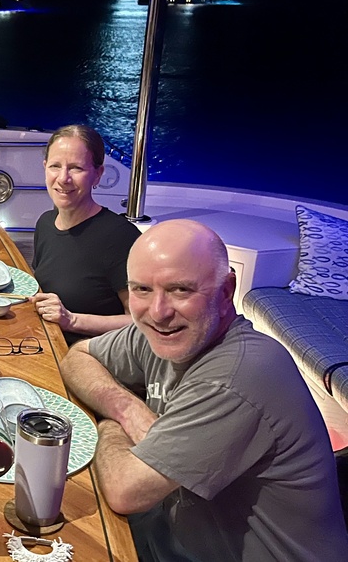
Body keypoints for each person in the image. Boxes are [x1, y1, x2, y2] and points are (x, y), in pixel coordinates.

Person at [61, 219, 348, 561]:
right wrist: (127, 409)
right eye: (141, 289)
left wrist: (106, 420)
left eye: (180, 290)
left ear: (226, 291)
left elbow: (125, 490)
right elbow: (76, 357)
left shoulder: (238, 376)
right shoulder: (161, 331)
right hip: (173, 534)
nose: (158, 311)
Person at [31, 124, 140, 342]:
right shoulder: (45, 223)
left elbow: (141, 321)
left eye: (76, 168)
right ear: (45, 168)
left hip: (94, 356)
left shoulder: (120, 237)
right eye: (55, 166)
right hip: (47, 342)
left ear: (98, 174)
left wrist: (71, 320)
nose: (63, 178)